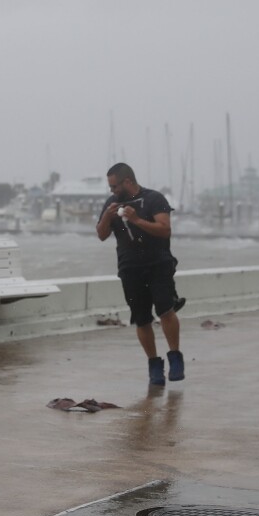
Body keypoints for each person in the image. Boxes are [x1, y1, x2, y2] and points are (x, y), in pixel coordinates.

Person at [96, 162, 185, 387]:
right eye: (110, 187)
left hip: (158, 263)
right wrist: (107, 217)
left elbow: (165, 229)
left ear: (127, 182)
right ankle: (154, 365)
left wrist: (136, 220)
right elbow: (101, 235)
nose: (112, 191)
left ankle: (175, 357)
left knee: (165, 309)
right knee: (141, 318)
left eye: (115, 186)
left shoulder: (154, 199)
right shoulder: (111, 203)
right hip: (129, 268)